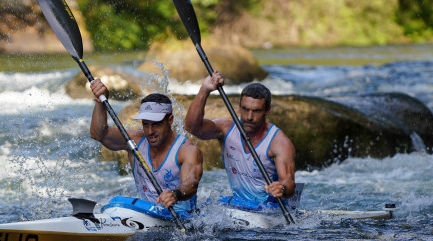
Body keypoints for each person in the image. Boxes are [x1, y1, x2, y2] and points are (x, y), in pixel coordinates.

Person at [183, 71, 296, 212]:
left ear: (267, 111)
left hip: (272, 208)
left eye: (256, 111)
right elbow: (191, 127)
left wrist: (282, 188)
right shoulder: (226, 129)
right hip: (239, 204)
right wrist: (204, 90)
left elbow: (289, 181)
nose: (249, 117)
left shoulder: (279, 143)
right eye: (245, 109)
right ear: (239, 107)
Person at [89, 79, 203, 217]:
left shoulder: (186, 151)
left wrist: (176, 194)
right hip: (145, 215)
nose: (150, 131)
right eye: (145, 124)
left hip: (181, 218)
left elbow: (192, 182)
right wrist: (101, 102)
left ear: (170, 120)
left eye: (156, 124)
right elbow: (99, 134)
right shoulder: (133, 140)